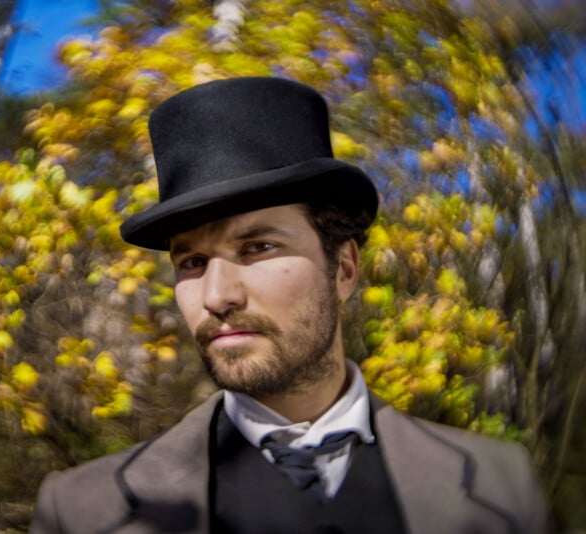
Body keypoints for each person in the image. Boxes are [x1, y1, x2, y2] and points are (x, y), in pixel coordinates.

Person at [30, 77, 545, 534]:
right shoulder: (80, 511)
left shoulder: (502, 482)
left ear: (343, 269)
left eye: (258, 247)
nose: (216, 296)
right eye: (191, 262)